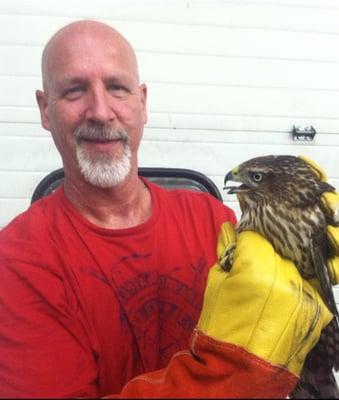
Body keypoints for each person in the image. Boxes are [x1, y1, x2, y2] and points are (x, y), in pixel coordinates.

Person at [0, 20, 337, 398]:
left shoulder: (213, 219)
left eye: (117, 88)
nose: (100, 110)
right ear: (46, 110)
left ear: (142, 103)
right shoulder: (18, 258)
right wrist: (233, 376)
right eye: (75, 91)